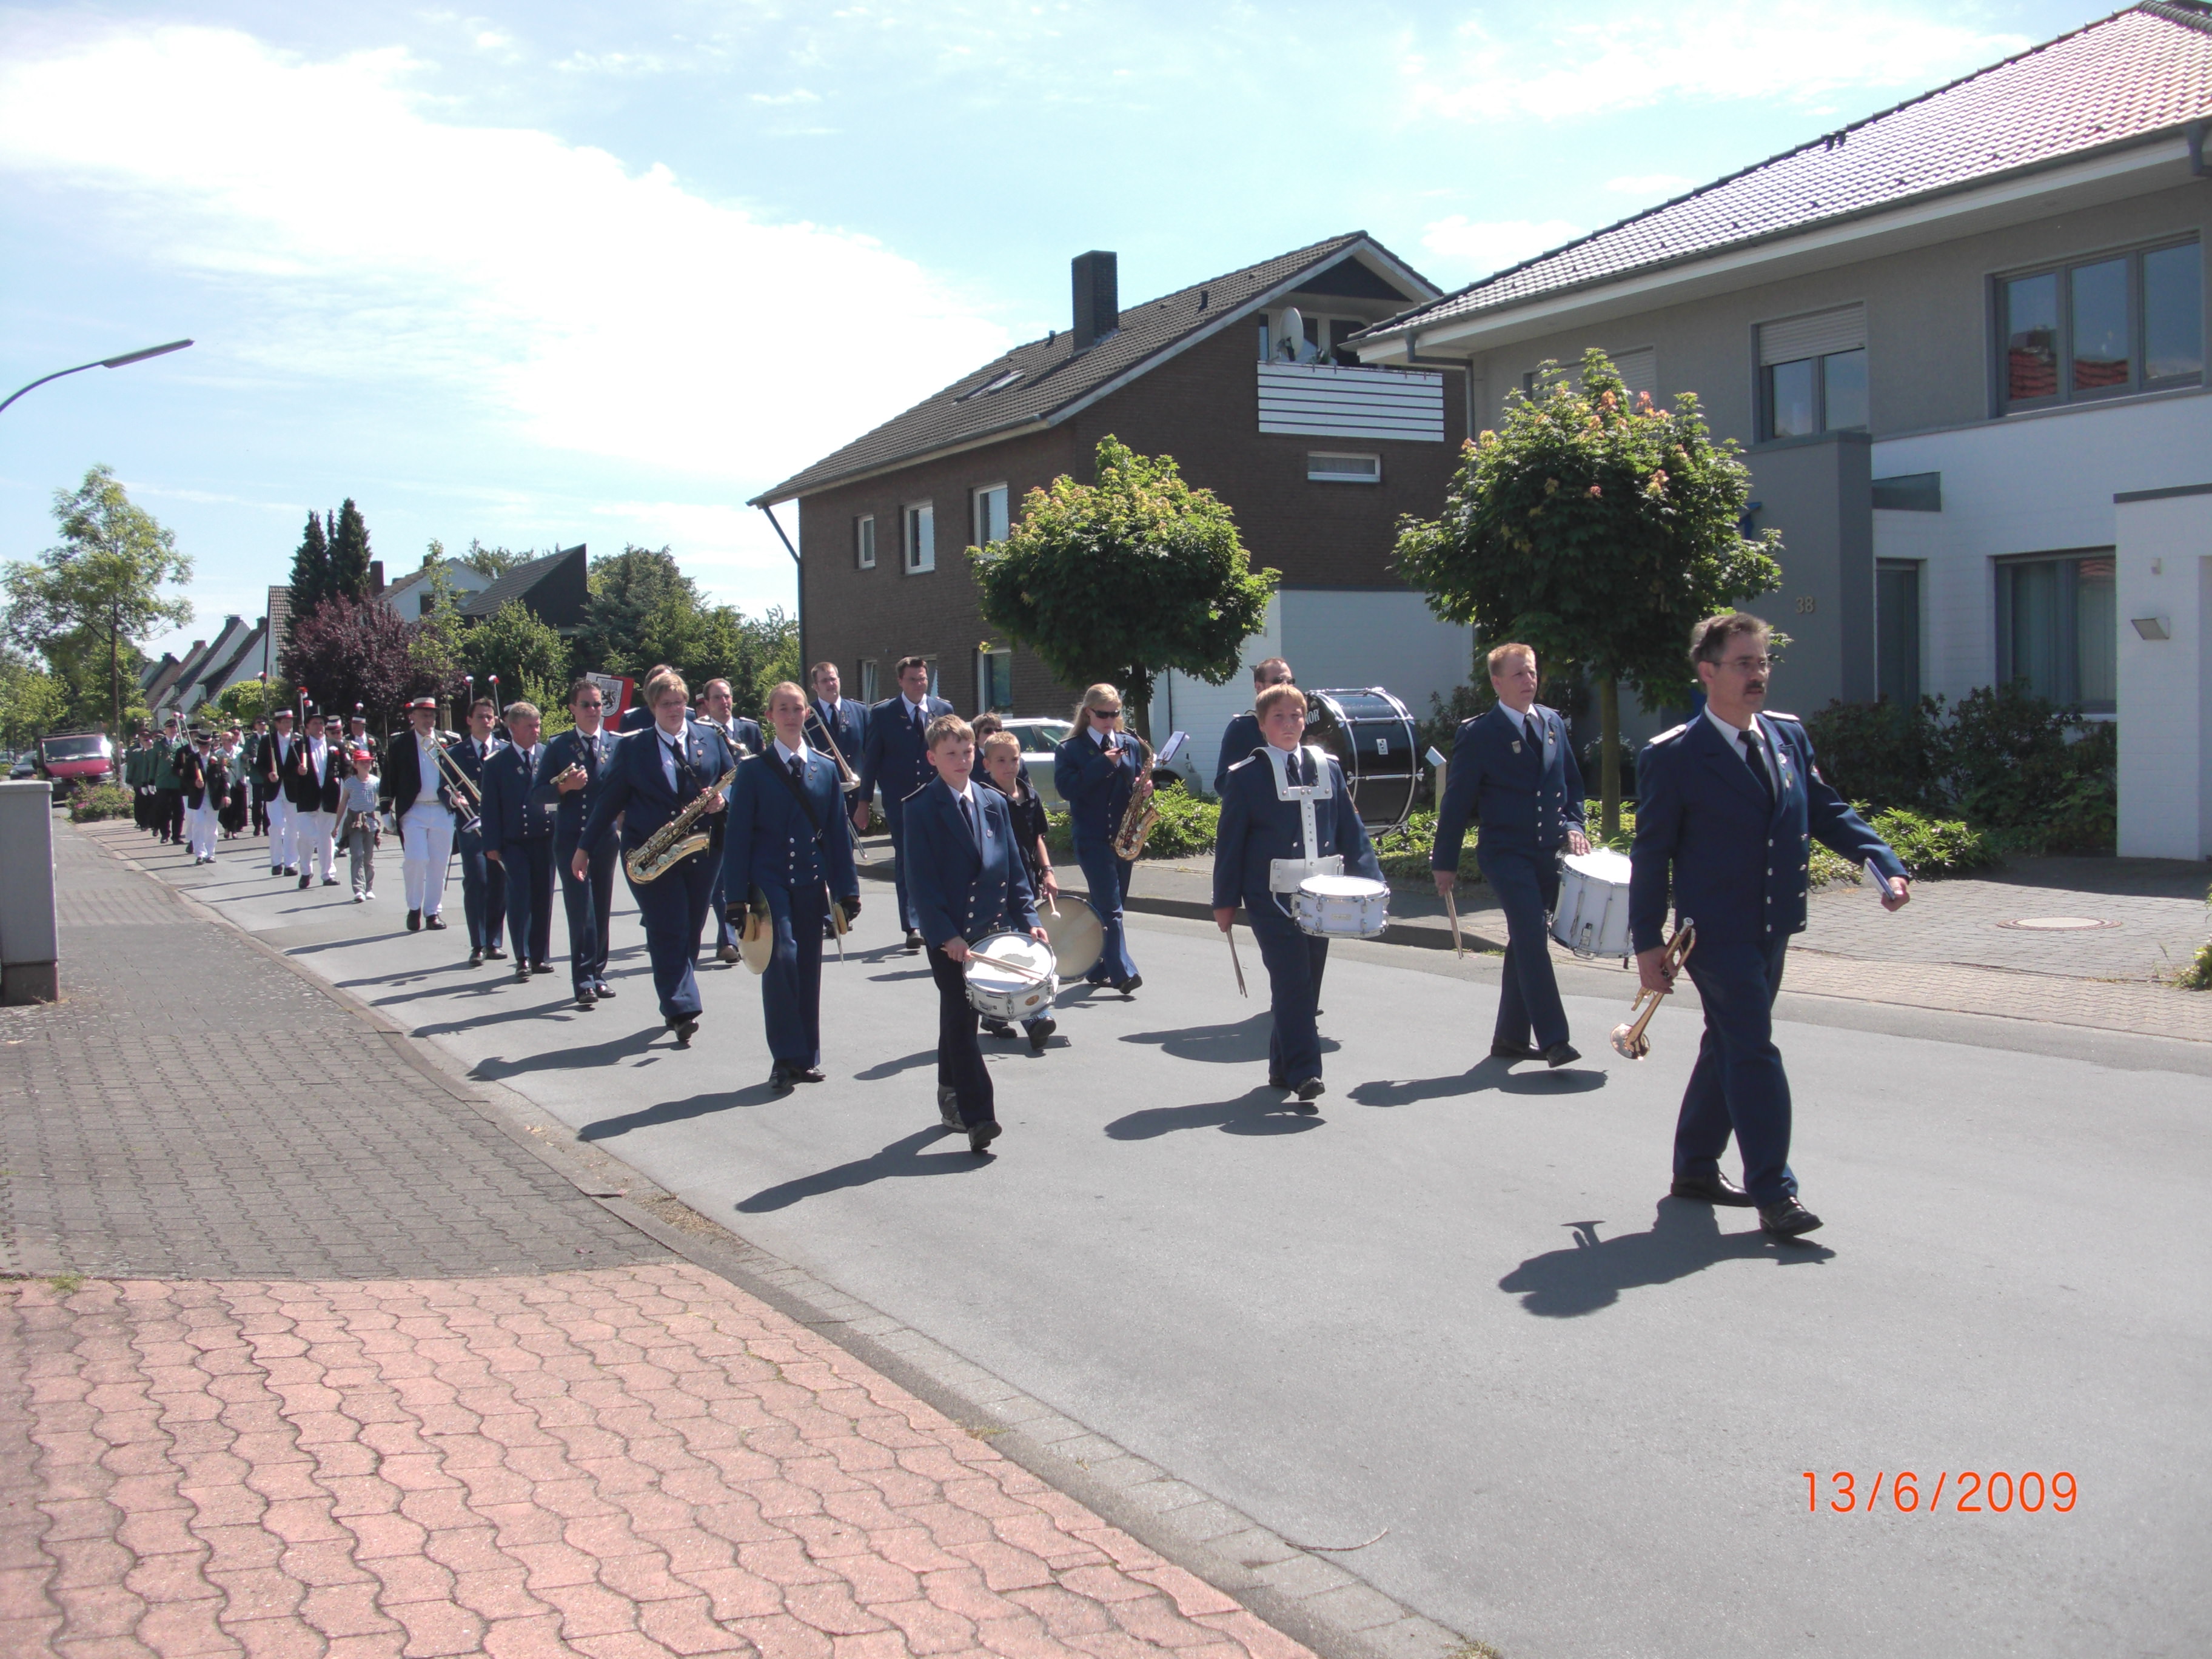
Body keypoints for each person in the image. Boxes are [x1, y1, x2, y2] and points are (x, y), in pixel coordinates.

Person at [1631, 612, 1912, 1241]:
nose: (1758, 675)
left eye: (1762, 662)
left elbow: (1825, 810)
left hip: (1774, 921)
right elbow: (1652, 855)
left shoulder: (1786, 737)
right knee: (1754, 1047)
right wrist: (1647, 942)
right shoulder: (1674, 756)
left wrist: (1883, 865)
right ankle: (1775, 1192)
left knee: (1729, 1042)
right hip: (1714, 933)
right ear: (1708, 672)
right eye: (1744, 664)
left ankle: (1695, 1167)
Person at [1213, 685, 1381, 1102]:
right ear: (1262, 725)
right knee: (1292, 982)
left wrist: (1372, 882)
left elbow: (1351, 831)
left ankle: (1281, 1066)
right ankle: (1306, 1072)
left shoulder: (1328, 768)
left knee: (1307, 983)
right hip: (1269, 897)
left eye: (1296, 716)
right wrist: (1225, 902)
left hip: (1322, 897)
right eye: (1279, 717)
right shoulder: (1246, 775)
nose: (1289, 724)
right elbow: (1230, 843)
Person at [1432, 643, 1591, 1068]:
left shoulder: (1552, 722)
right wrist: (1444, 862)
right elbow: (1457, 801)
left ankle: (1510, 1038)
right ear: (1497, 682)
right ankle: (1555, 1039)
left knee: (1526, 939)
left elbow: (1572, 785)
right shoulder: (1480, 734)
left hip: (1547, 853)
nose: (1529, 681)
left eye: (1532, 672)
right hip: (1506, 853)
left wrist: (1575, 826)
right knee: (1531, 933)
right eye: (1519, 674)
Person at [904, 714, 1047, 1155]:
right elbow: (922, 883)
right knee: (961, 1019)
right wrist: (946, 936)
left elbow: (1015, 869)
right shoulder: (921, 808)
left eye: (967, 752)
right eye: (951, 753)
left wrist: (1029, 917)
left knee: (958, 1018)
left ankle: (949, 1090)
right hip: (949, 937)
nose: (962, 760)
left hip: (989, 930)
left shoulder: (993, 801)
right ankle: (979, 1117)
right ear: (933, 758)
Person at [575, 671, 736, 1047]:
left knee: (690, 927)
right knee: (669, 927)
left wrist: (722, 801)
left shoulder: (711, 738)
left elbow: (734, 779)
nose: (674, 710)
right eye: (666, 704)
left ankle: (675, 997)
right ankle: (682, 1008)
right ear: (652, 708)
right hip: (651, 853)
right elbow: (608, 802)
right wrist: (584, 848)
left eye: (679, 702)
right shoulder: (632, 748)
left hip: (702, 850)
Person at [722, 681, 861, 1090]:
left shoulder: (825, 768)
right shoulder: (753, 771)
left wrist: (847, 890)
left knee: (808, 966)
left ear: (807, 714)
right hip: (770, 882)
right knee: (781, 957)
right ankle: (784, 1058)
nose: (790, 716)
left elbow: (837, 834)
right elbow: (737, 838)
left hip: (811, 880)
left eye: (797, 708)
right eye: (782, 709)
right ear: (769, 716)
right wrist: (735, 898)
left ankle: (806, 1057)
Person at [1052, 685, 1146, 995]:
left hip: (1123, 837)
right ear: (1088, 712)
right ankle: (1123, 973)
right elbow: (1068, 789)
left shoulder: (1129, 743)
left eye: (1115, 713)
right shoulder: (1070, 749)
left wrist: (1144, 789)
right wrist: (1102, 764)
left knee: (1112, 906)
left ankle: (1097, 966)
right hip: (1092, 838)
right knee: (1111, 907)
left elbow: (1133, 784)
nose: (1110, 720)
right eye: (1103, 714)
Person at [856, 655, 953, 953]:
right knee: (908, 859)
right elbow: (871, 761)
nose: (918, 684)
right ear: (900, 681)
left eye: (922, 678)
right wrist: (863, 802)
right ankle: (912, 925)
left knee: (943, 858)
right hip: (901, 801)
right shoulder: (884, 713)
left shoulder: (942, 710)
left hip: (938, 796)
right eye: (912, 679)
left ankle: (941, 920)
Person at [537, 679, 619, 1010]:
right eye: (586, 705)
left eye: (598, 704)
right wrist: (563, 788)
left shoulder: (615, 744)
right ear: (572, 708)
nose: (593, 710)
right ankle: (583, 979)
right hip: (572, 839)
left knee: (601, 907)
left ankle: (598, 972)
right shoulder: (559, 746)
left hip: (605, 838)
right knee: (581, 909)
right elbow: (537, 794)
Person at [976, 729, 1058, 1053]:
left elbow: (1038, 837)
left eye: (1014, 759)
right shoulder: (983, 799)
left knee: (1017, 945)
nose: (1009, 766)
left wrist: (1048, 871)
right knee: (1014, 948)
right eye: (1001, 761)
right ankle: (1036, 1017)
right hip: (998, 885)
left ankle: (993, 1015)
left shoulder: (1030, 795)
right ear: (986, 765)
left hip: (1026, 882)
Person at [482, 701, 557, 982]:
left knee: (543, 898)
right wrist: (491, 844)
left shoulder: (547, 756)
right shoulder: (497, 763)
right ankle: (522, 956)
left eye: (537, 725)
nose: (536, 731)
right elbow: (490, 807)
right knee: (519, 897)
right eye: (529, 726)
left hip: (544, 838)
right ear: (512, 727)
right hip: (514, 841)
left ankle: (540, 955)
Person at [696, 678, 763, 965]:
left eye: (727, 697)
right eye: (717, 698)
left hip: (750, 812)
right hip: (717, 814)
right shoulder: (700, 733)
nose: (724, 702)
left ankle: (749, 932)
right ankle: (728, 940)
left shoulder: (749, 729)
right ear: (707, 703)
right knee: (721, 880)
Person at [381, 697, 457, 932]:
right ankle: (414, 907)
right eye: (424, 715)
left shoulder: (448, 741)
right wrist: (385, 809)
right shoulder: (400, 744)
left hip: (442, 809)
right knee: (416, 858)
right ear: (412, 716)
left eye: (432, 715)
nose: (429, 720)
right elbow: (389, 777)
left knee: (438, 863)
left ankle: (432, 912)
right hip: (414, 809)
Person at [446, 700, 508, 967]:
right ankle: (478, 944)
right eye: (481, 717)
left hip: (500, 825)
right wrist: (453, 799)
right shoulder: (455, 753)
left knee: (499, 882)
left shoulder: (505, 750)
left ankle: (494, 941)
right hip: (471, 825)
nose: (486, 721)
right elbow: (443, 786)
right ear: (469, 720)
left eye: (490, 717)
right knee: (477, 881)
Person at [1214, 657, 1295, 794]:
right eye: (1278, 681)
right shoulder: (1243, 727)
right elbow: (1224, 783)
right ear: (1259, 687)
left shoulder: (1299, 724)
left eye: (1290, 682)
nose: (1285, 686)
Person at [287, 709, 347, 888]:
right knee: (306, 835)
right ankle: (306, 871)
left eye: (321, 723)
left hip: (329, 796)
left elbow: (346, 768)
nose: (319, 727)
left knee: (327, 836)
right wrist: (297, 772)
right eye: (315, 723)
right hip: (307, 797)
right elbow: (288, 771)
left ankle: (328, 874)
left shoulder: (336, 746)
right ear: (307, 727)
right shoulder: (299, 746)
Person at [806, 662, 867, 782]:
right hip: (823, 784)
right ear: (816, 687)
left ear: (839, 681)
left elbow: (872, 751)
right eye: (824, 681)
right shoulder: (807, 715)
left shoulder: (860, 711)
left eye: (833, 679)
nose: (830, 684)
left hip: (857, 786)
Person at [258, 708, 299, 876]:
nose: (289, 724)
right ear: (277, 724)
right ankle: (276, 862)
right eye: (286, 722)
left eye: (291, 721)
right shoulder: (267, 741)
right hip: (273, 789)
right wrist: (268, 774)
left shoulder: (298, 740)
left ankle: (291, 863)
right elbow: (260, 765)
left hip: (292, 789)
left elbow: (302, 764)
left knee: (293, 827)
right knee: (276, 825)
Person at [337, 743, 381, 901]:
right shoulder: (350, 783)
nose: (366, 764)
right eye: (363, 762)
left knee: (368, 857)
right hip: (354, 823)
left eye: (368, 762)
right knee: (357, 855)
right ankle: (359, 889)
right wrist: (336, 826)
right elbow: (343, 803)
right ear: (355, 765)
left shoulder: (376, 782)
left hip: (370, 823)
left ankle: (369, 888)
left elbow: (383, 801)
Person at [175, 727, 225, 864]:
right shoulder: (192, 759)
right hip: (198, 798)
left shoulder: (217, 758)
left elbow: (224, 778)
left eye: (206, 746)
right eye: (201, 746)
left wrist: (226, 795)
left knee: (212, 827)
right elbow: (185, 779)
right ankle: (200, 854)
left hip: (213, 797)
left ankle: (211, 853)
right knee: (198, 824)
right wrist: (194, 783)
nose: (204, 748)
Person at [151, 715, 186, 846]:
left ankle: (177, 836)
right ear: (165, 729)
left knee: (179, 811)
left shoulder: (183, 743)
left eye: (175, 727)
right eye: (170, 727)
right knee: (163, 809)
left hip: (178, 781)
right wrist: (150, 781)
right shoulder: (158, 744)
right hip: (163, 781)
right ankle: (165, 833)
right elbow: (153, 763)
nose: (173, 729)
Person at [245, 716, 272, 838]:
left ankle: (267, 826)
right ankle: (257, 825)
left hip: (268, 773)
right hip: (256, 774)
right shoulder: (251, 740)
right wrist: (251, 759)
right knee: (257, 802)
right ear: (255, 726)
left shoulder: (271, 738)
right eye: (259, 723)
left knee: (268, 802)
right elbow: (244, 755)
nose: (262, 725)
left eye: (263, 723)